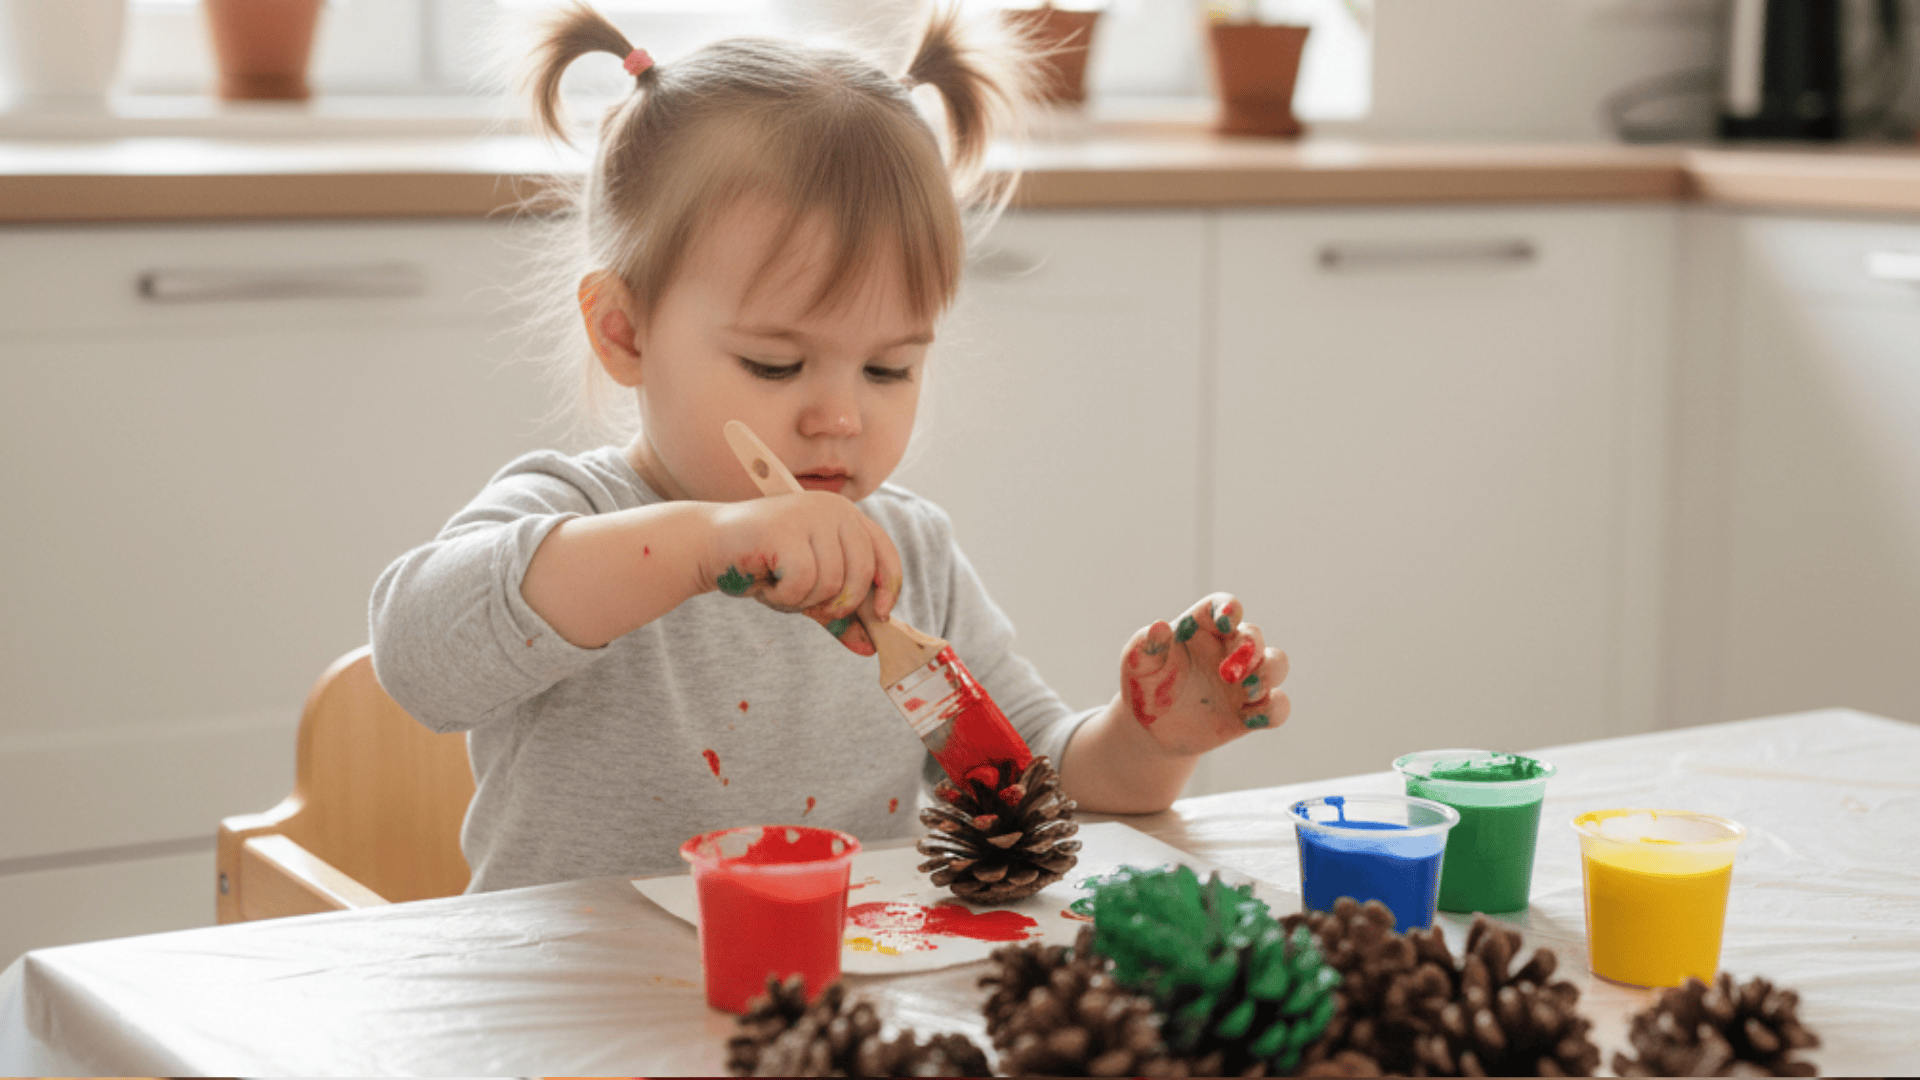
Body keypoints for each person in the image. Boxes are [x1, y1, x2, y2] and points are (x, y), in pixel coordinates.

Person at [370, 0, 1291, 893]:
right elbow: (418, 663)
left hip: (832, 987)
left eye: (889, 369)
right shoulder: (575, 519)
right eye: (775, 365)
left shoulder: (911, 555)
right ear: (625, 331)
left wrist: (1148, 739)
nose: (839, 417)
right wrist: (704, 546)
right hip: (582, 995)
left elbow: (1033, 781)